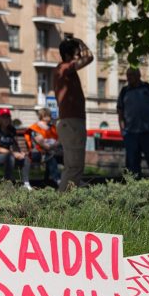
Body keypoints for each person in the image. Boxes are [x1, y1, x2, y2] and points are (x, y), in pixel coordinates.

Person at [53, 37, 94, 190]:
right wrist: (82, 43)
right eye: (77, 54)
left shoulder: (61, 70)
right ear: (70, 55)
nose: (80, 57)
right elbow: (89, 57)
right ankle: (63, 205)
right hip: (72, 122)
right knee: (75, 168)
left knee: (72, 166)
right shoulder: (65, 67)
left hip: (69, 122)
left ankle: (69, 200)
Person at [117, 67, 149, 178]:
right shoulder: (124, 91)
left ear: (138, 75)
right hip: (131, 133)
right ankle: (134, 192)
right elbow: (120, 111)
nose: (128, 78)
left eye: (131, 75)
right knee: (132, 166)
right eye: (127, 75)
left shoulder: (148, 87)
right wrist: (122, 129)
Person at [0, 108, 31, 189]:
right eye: (3, 117)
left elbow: (14, 144)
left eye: (7, 117)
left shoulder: (11, 129)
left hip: (6, 153)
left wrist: (20, 152)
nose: (6, 119)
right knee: (10, 158)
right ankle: (7, 183)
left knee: (26, 158)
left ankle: (26, 183)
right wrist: (13, 153)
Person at [25, 108, 62, 186]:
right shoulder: (36, 128)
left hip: (53, 151)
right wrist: (54, 146)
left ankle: (69, 179)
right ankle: (58, 180)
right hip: (37, 153)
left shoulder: (52, 127)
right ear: (43, 116)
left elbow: (59, 140)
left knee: (67, 157)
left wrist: (53, 147)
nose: (51, 117)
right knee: (51, 157)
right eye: (49, 115)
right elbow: (43, 145)